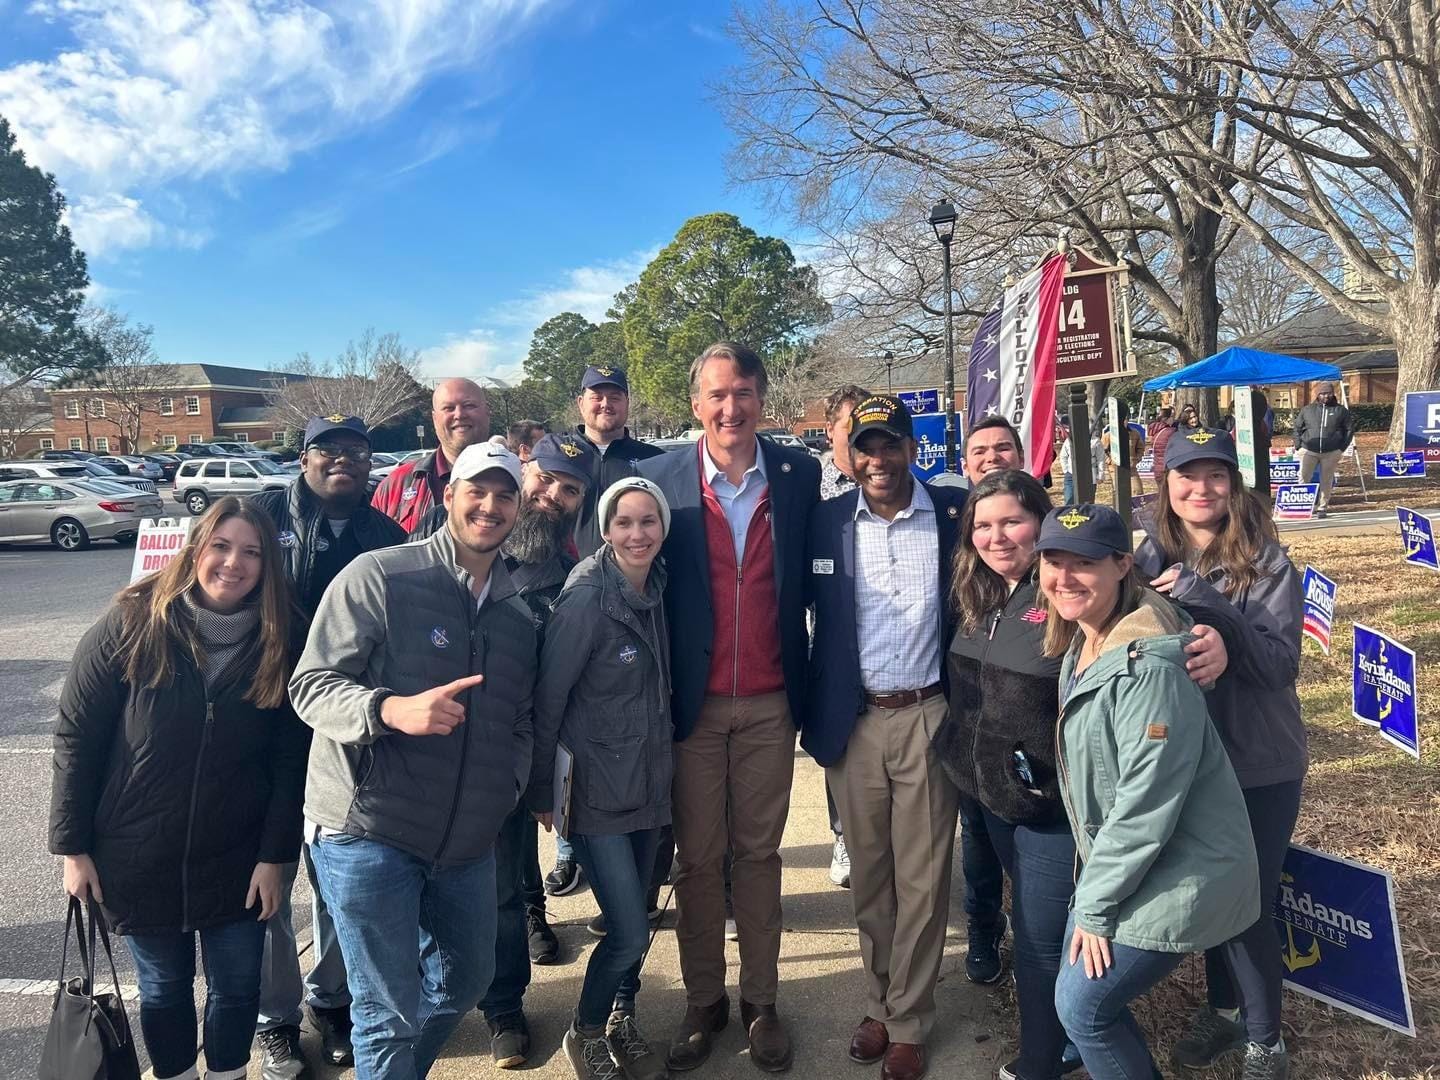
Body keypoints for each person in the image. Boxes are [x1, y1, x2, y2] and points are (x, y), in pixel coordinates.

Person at [932, 472, 1229, 1080]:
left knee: (1044, 947)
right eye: (982, 525)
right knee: (1042, 940)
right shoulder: (974, 591)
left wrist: (1218, 639)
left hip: (1054, 812)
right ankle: (1066, 1040)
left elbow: (1159, 621)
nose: (996, 537)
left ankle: (1041, 1062)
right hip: (995, 798)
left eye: (1012, 522)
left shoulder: (1072, 600)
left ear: (1037, 524)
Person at [290, 442, 538, 1080]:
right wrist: (389, 709)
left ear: (518, 508)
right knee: (386, 1013)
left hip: (465, 842)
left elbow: (520, 720)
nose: (489, 506)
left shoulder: (517, 616)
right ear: (449, 496)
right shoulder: (381, 575)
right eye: (476, 491)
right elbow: (311, 684)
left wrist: (505, 787)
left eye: (504, 495)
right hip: (369, 832)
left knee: (467, 979)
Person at [51, 498, 307, 1080]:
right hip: (139, 853)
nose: (233, 563)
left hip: (239, 856)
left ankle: (228, 1074)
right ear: (195, 550)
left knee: (238, 986)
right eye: (221, 546)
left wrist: (275, 858)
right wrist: (73, 849)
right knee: (163, 988)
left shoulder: (283, 638)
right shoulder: (132, 623)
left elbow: (290, 762)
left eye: (251, 552)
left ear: (267, 566)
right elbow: (76, 739)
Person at [639, 342, 820, 1074]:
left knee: (760, 857)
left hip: (772, 702)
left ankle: (761, 1002)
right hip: (694, 706)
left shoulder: (800, 475)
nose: (730, 407)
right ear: (696, 405)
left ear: (761, 400)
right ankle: (703, 1000)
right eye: (716, 394)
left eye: (742, 392)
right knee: (697, 861)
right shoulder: (660, 480)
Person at [1036, 504, 1260, 1080]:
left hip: (1181, 868)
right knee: (1080, 1003)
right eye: (1053, 561)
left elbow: (1145, 803)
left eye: (1083, 562)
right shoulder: (1087, 639)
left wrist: (1094, 905)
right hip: (1131, 863)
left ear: (1121, 565)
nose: (1064, 577)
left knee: (1084, 1008)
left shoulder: (1150, 667)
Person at [411, 431, 599, 1067]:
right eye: (544, 479)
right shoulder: (434, 556)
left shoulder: (570, 583)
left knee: (501, 892)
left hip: (501, 762)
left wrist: (537, 778)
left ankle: (503, 1007)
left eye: (569, 490)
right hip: (423, 759)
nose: (552, 496)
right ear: (522, 473)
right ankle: (420, 1002)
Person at [1136, 429, 1306, 1080]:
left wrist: (1211, 609)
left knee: (1248, 901)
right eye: (1188, 475)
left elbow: (1278, 666)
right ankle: (1225, 1011)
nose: (1201, 489)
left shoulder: (1267, 563)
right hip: (1189, 759)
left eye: (1216, 475)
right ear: (1167, 484)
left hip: (1259, 761)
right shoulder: (1149, 555)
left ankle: (1267, 1044)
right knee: (1214, 894)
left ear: (1234, 484)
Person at [805, 395, 966, 1080]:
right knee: (871, 878)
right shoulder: (827, 521)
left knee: (923, 880)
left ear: (911, 448)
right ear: (851, 454)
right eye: (865, 447)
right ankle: (879, 1001)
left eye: (890, 444)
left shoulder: (954, 517)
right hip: (856, 721)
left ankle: (909, 1019)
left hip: (929, 714)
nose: (878, 460)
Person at [249, 415, 406, 1078]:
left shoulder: (386, 535)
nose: (342, 459)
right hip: (264, 717)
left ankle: (332, 1001)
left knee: (342, 876)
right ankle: (274, 1019)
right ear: (303, 457)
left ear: (370, 462)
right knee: (266, 877)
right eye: (327, 449)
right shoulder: (261, 519)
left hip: (345, 726)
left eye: (355, 451)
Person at [529, 477, 675, 1080]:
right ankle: (585, 1030)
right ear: (606, 530)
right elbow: (549, 699)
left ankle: (622, 1016)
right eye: (624, 522)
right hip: (594, 793)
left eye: (648, 521)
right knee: (628, 931)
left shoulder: (658, 587)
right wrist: (543, 789)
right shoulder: (587, 597)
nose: (637, 534)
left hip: (649, 784)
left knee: (636, 918)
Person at [815, 382, 871, 889]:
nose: (856, 436)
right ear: (830, 428)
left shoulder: (893, 480)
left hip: (883, 635)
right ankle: (843, 835)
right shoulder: (806, 487)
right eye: (847, 425)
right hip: (827, 636)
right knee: (839, 741)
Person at [571, 364, 668, 558]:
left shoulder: (656, 460)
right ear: (581, 403)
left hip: (638, 573)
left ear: (627, 403)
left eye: (615, 398)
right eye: (597, 397)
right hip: (566, 574)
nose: (606, 404)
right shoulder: (559, 458)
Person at [372, 377, 489, 533]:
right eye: (448, 408)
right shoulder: (395, 484)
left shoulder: (516, 481)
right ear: (434, 419)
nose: (459, 414)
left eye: (469, 405)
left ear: (487, 412)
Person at [1291, 381, 1352, 517]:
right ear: (1318, 394)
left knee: (1326, 479)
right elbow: (1297, 428)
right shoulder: (1307, 410)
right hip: (1308, 449)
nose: (1326, 396)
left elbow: (1349, 430)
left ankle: (1322, 507)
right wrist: (1298, 445)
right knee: (1304, 477)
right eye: (1323, 393)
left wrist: (1341, 448)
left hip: (1331, 451)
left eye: (1328, 393)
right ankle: (1304, 505)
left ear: (1333, 394)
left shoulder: (1341, 410)